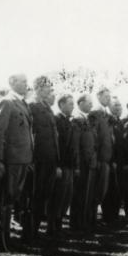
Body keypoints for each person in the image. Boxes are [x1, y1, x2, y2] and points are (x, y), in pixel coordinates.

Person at [0, 73, 33, 250]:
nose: (26, 84)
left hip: (23, 158)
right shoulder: (7, 102)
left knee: (13, 198)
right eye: (23, 81)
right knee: (5, 199)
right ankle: (2, 239)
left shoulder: (23, 103)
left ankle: (7, 237)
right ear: (12, 83)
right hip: (11, 160)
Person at [29, 76, 60, 237]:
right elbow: (31, 133)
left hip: (50, 158)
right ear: (39, 88)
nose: (50, 90)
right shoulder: (32, 106)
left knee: (45, 194)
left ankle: (37, 229)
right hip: (38, 158)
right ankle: (31, 231)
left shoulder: (47, 107)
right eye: (48, 87)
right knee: (36, 195)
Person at [88, 87, 113, 229]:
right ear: (98, 97)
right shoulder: (95, 113)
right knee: (95, 191)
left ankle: (94, 219)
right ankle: (91, 220)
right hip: (99, 159)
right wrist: (96, 158)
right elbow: (94, 137)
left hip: (106, 159)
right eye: (105, 97)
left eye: (109, 97)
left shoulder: (105, 113)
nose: (108, 99)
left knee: (102, 190)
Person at [54, 94, 79, 233]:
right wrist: (57, 165)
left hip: (69, 165)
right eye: (70, 104)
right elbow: (57, 145)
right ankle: (54, 227)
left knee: (66, 196)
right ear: (61, 105)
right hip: (61, 165)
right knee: (58, 197)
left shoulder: (69, 121)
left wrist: (75, 165)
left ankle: (59, 224)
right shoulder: (57, 120)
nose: (73, 106)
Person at [71, 94, 97, 230]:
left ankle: (84, 222)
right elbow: (75, 145)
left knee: (87, 194)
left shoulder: (86, 119)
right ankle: (77, 224)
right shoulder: (77, 119)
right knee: (79, 194)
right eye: (89, 103)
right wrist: (77, 164)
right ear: (80, 103)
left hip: (89, 162)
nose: (91, 106)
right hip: (81, 163)